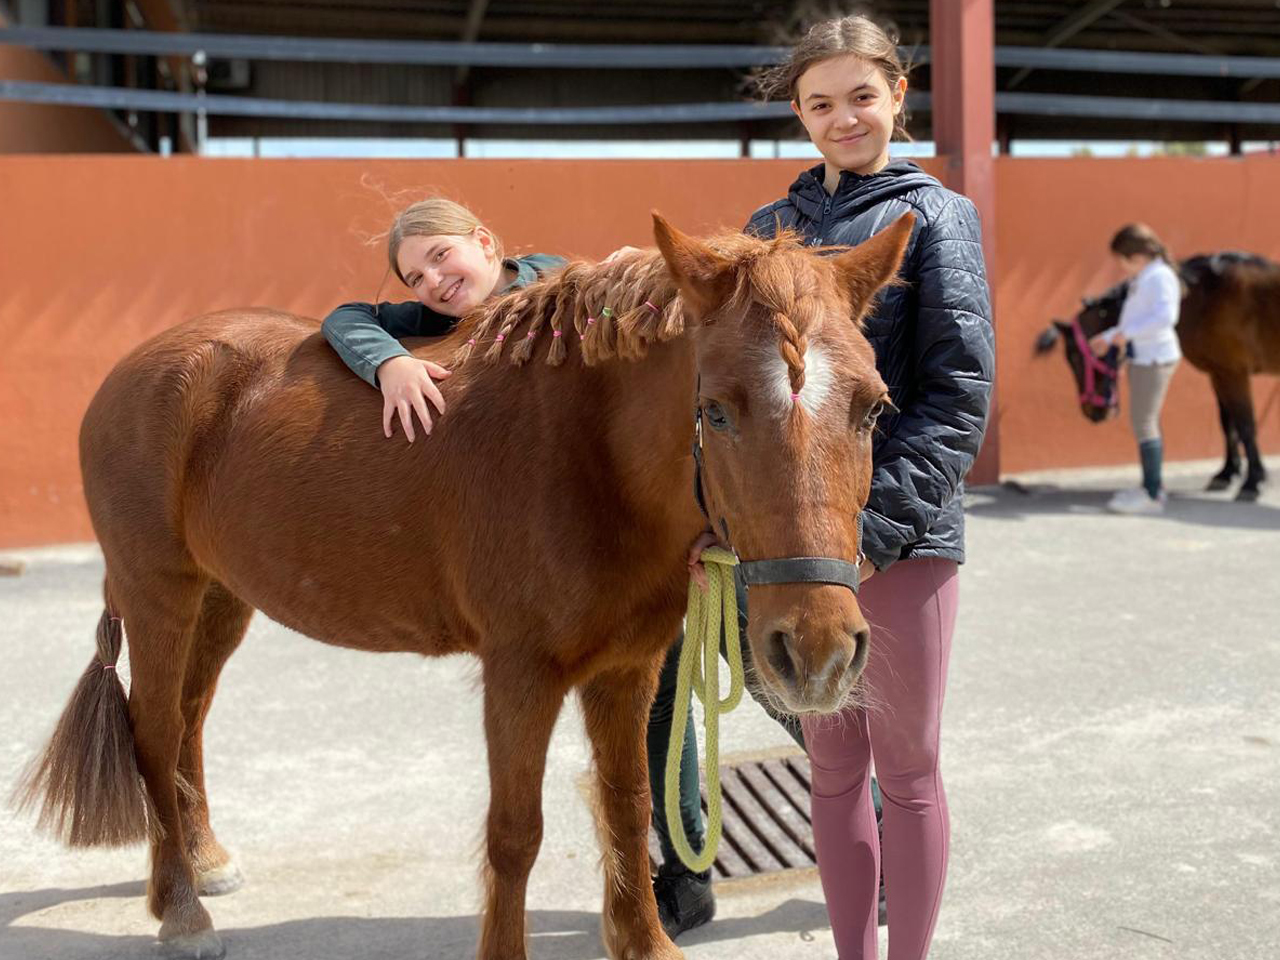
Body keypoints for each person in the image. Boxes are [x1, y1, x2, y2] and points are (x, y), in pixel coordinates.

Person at [645, 14, 994, 959]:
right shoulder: (767, 230)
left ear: (898, 97)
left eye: (861, 97)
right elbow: (730, 403)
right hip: (787, 544)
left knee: (910, 774)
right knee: (833, 776)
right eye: (821, 103)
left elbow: (958, 395)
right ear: (799, 113)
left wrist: (868, 533)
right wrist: (724, 520)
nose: (844, 118)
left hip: (899, 537)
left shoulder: (940, 217)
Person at [321, 198, 565, 440]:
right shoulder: (435, 317)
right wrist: (391, 363)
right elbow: (345, 317)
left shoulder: (555, 277)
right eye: (416, 279)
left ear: (484, 242)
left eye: (440, 255)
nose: (434, 281)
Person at [1088, 224, 1182, 514]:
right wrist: (1108, 337)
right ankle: (1152, 486)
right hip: (1144, 357)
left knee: (1144, 422)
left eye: (1123, 260)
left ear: (1138, 255)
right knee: (1146, 421)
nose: (1121, 267)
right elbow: (1136, 318)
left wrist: (1126, 335)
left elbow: (1166, 316)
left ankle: (1152, 495)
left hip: (1154, 359)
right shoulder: (1147, 276)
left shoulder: (1159, 277)